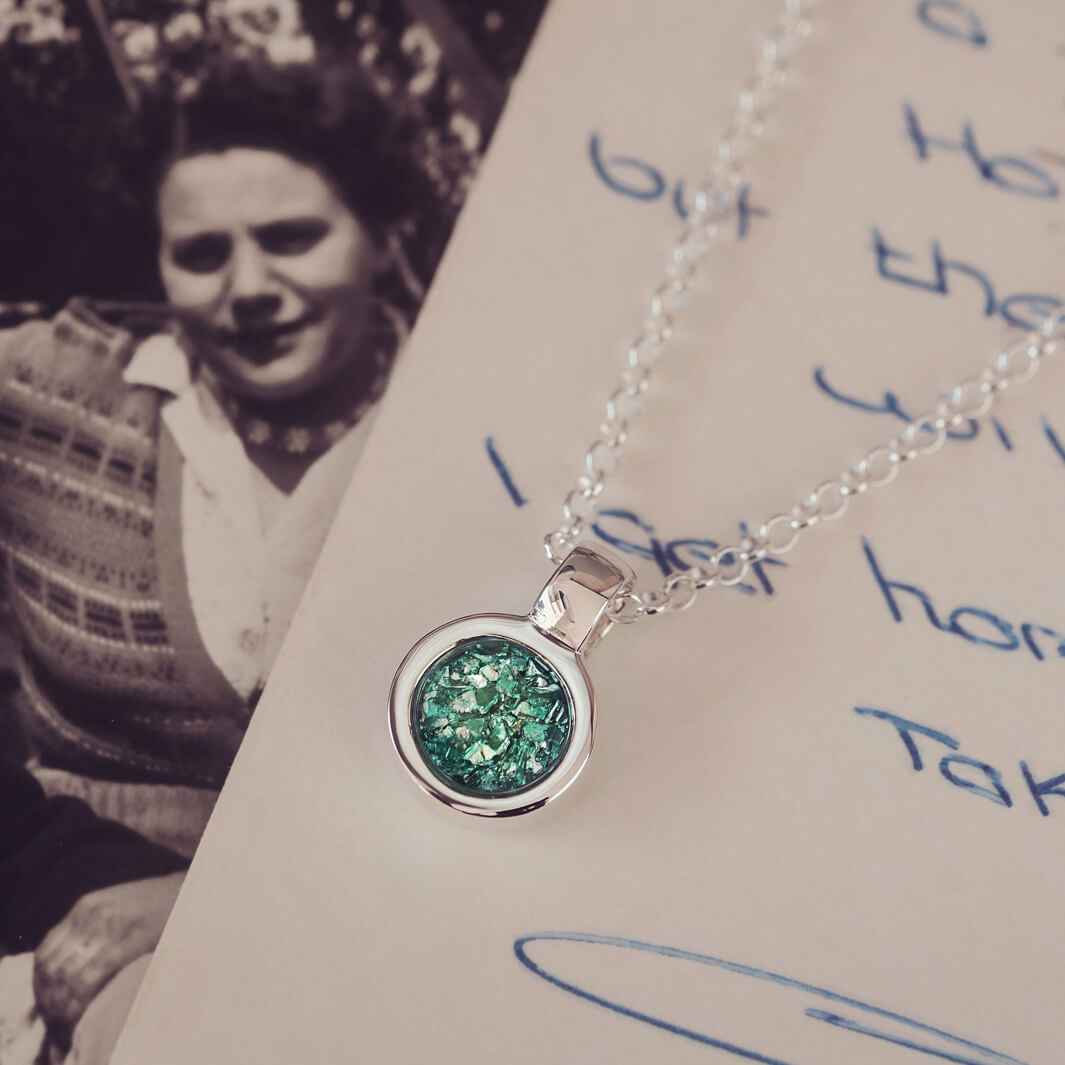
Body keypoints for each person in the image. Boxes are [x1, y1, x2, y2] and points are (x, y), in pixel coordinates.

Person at [0, 59, 419, 1061]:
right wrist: (78, 878)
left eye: (292, 238)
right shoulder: (45, 404)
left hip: (398, 922)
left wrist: (218, 901)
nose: (249, 290)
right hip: (79, 922)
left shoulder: (482, 437)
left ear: (382, 237)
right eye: (201, 253)